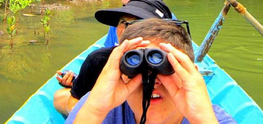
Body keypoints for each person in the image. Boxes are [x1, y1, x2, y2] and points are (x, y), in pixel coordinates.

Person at [65, 18, 235, 124]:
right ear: (120, 73)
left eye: (168, 66)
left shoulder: (213, 119)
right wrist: (94, 111)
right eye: (137, 67)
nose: (151, 79)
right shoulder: (98, 107)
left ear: (193, 77)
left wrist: (201, 121)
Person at [53, 0, 173, 116]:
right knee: (60, 97)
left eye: (138, 23)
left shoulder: (174, 63)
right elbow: (75, 99)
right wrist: (86, 114)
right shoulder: (99, 60)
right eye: (123, 22)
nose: (127, 29)